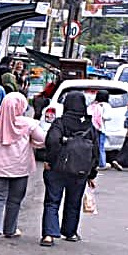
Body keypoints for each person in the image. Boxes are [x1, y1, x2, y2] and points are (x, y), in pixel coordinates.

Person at [0, 92, 47, 244]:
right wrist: (32, 143)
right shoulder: (28, 124)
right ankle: (10, 229)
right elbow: (43, 139)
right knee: (15, 200)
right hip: (20, 168)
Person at [40, 91, 100, 246]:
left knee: (52, 201)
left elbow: (52, 141)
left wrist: (50, 160)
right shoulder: (89, 125)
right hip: (80, 171)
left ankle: (49, 234)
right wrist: (91, 174)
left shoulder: (60, 123)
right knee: (74, 201)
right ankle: (70, 231)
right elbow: (95, 151)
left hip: (58, 168)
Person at [89, 89, 110, 168]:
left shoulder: (93, 104)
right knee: (101, 146)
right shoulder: (106, 105)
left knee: (94, 145)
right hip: (101, 128)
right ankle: (102, 163)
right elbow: (108, 117)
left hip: (93, 127)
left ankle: (95, 163)